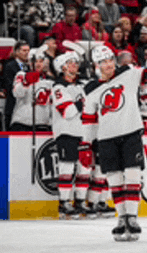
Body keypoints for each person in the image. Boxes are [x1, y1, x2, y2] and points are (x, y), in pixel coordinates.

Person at [81, 45, 147, 241]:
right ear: (96, 65)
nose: (109, 64)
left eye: (110, 59)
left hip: (131, 133)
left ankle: (132, 217)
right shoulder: (91, 89)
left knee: (132, 175)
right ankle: (122, 218)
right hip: (106, 138)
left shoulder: (129, 73)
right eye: (103, 62)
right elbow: (88, 119)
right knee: (115, 180)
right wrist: (85, 144)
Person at [52, 50, 86, 218]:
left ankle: (80, 201)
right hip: (66, 132)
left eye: (76, 62)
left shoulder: (80, 85)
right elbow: (68, 111)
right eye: (71, 62)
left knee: (84, 168)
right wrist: (82, 103)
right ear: (62, 67)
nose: (75, 64)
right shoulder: (58, 87)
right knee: (67, 167)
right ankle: (64, 202)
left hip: (82, 132)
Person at [10, 45, 54, 131]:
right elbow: (16, 93)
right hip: (22, 123)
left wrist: (51, 123)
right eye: (35, 61)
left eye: (40, 61)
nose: (38, 64)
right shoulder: (21, 75)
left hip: (43, 124)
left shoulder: (50, 82)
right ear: (29, 63)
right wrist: (26, 82)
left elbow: (53, 105)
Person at [3, 40, 30, 131]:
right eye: (24, 50)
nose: (27, 53)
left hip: (25, 105)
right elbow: (9, 85)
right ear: (17, 52)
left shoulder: (29, 67)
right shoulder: (9, 66)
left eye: (28, 51)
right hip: (13, 104)